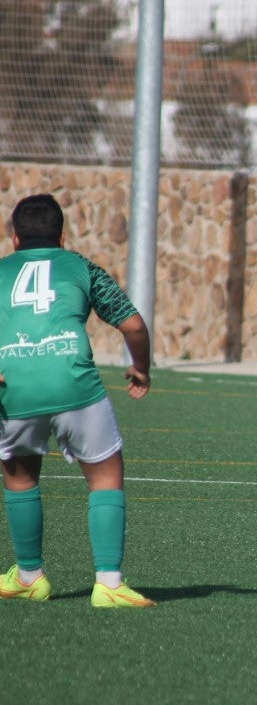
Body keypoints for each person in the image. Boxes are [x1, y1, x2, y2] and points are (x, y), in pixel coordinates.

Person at [0, 193, 157, 606]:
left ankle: (30, 576)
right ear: (62, 237)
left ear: (14, 239)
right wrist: (140, 368)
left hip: (12, 385)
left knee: (21, 479)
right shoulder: (81, 267)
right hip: (75, 384)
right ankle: (108, 582)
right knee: (105, 477)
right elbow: (135, 326)